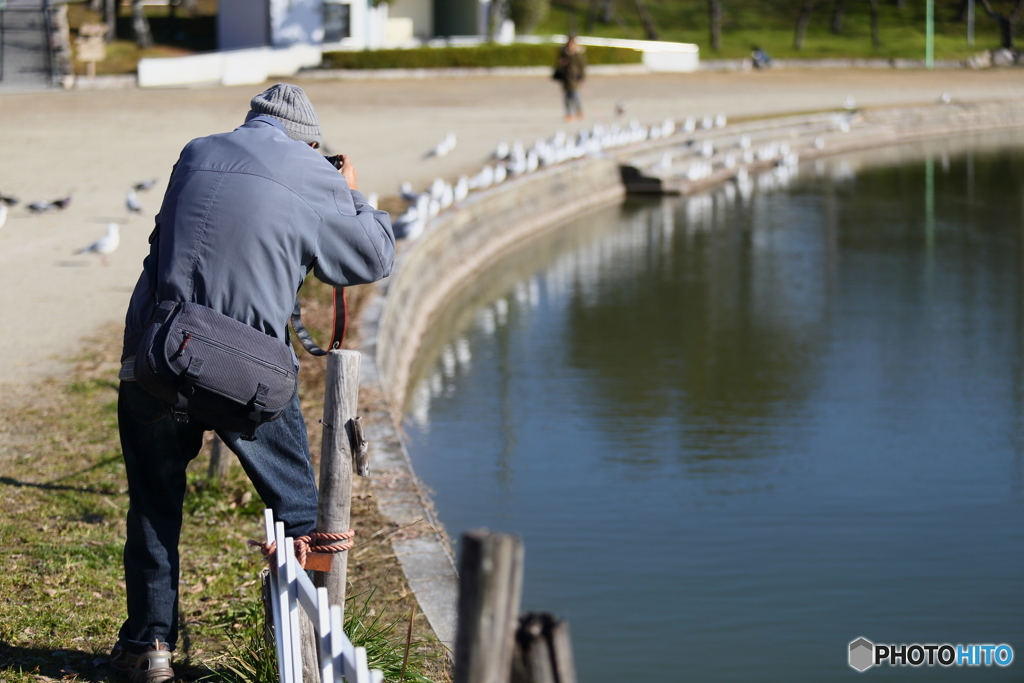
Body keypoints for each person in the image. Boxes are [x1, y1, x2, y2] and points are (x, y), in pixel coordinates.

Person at [110, 83, 394, 683]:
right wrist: (348, 193)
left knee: (154, 505)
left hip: (156, 353)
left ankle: (149, 647)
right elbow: (372, 258)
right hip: (246, 370)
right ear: (310, 143)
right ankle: (304, 649)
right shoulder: (313, 174)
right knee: (298, 512)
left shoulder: (196, 151)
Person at [556, 34, 587, 121]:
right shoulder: (564, 51)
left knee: (575, 94)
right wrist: (562, 62)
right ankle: (569, 113)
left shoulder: (578, 52)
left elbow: (582, 64)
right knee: (566, 96)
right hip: (566, 77)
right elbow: (559, 63)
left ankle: (579, 110)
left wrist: (582, 76)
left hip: (575, 77)